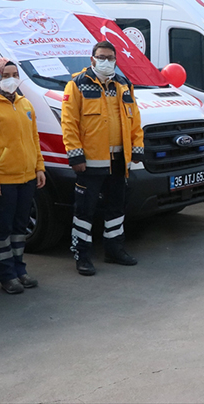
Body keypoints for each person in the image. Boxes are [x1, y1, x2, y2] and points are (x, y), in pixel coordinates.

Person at [61, 41, 144, 276]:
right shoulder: (77, 85)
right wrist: (75, 155)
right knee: (85, 210)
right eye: (101, 57)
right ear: (92, 59)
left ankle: (114, 250)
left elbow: (134, 119)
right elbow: (69, 124)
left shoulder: (123, 84)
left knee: (117, 207)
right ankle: (82, 255)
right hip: (90, 161)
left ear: (116, 60)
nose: (106, 61)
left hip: (119, 160)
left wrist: (136, 149)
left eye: (110, 58)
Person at [0, 58, 46, 294]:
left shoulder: (26, 104)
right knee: (2, 230)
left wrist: (39, 167)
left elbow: (34, 139)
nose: (11, 79)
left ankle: (19, 270)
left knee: (19, 228)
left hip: (26, 178)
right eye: (6, 75)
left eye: (14, 74)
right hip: (2, 181)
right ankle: (6, 276)